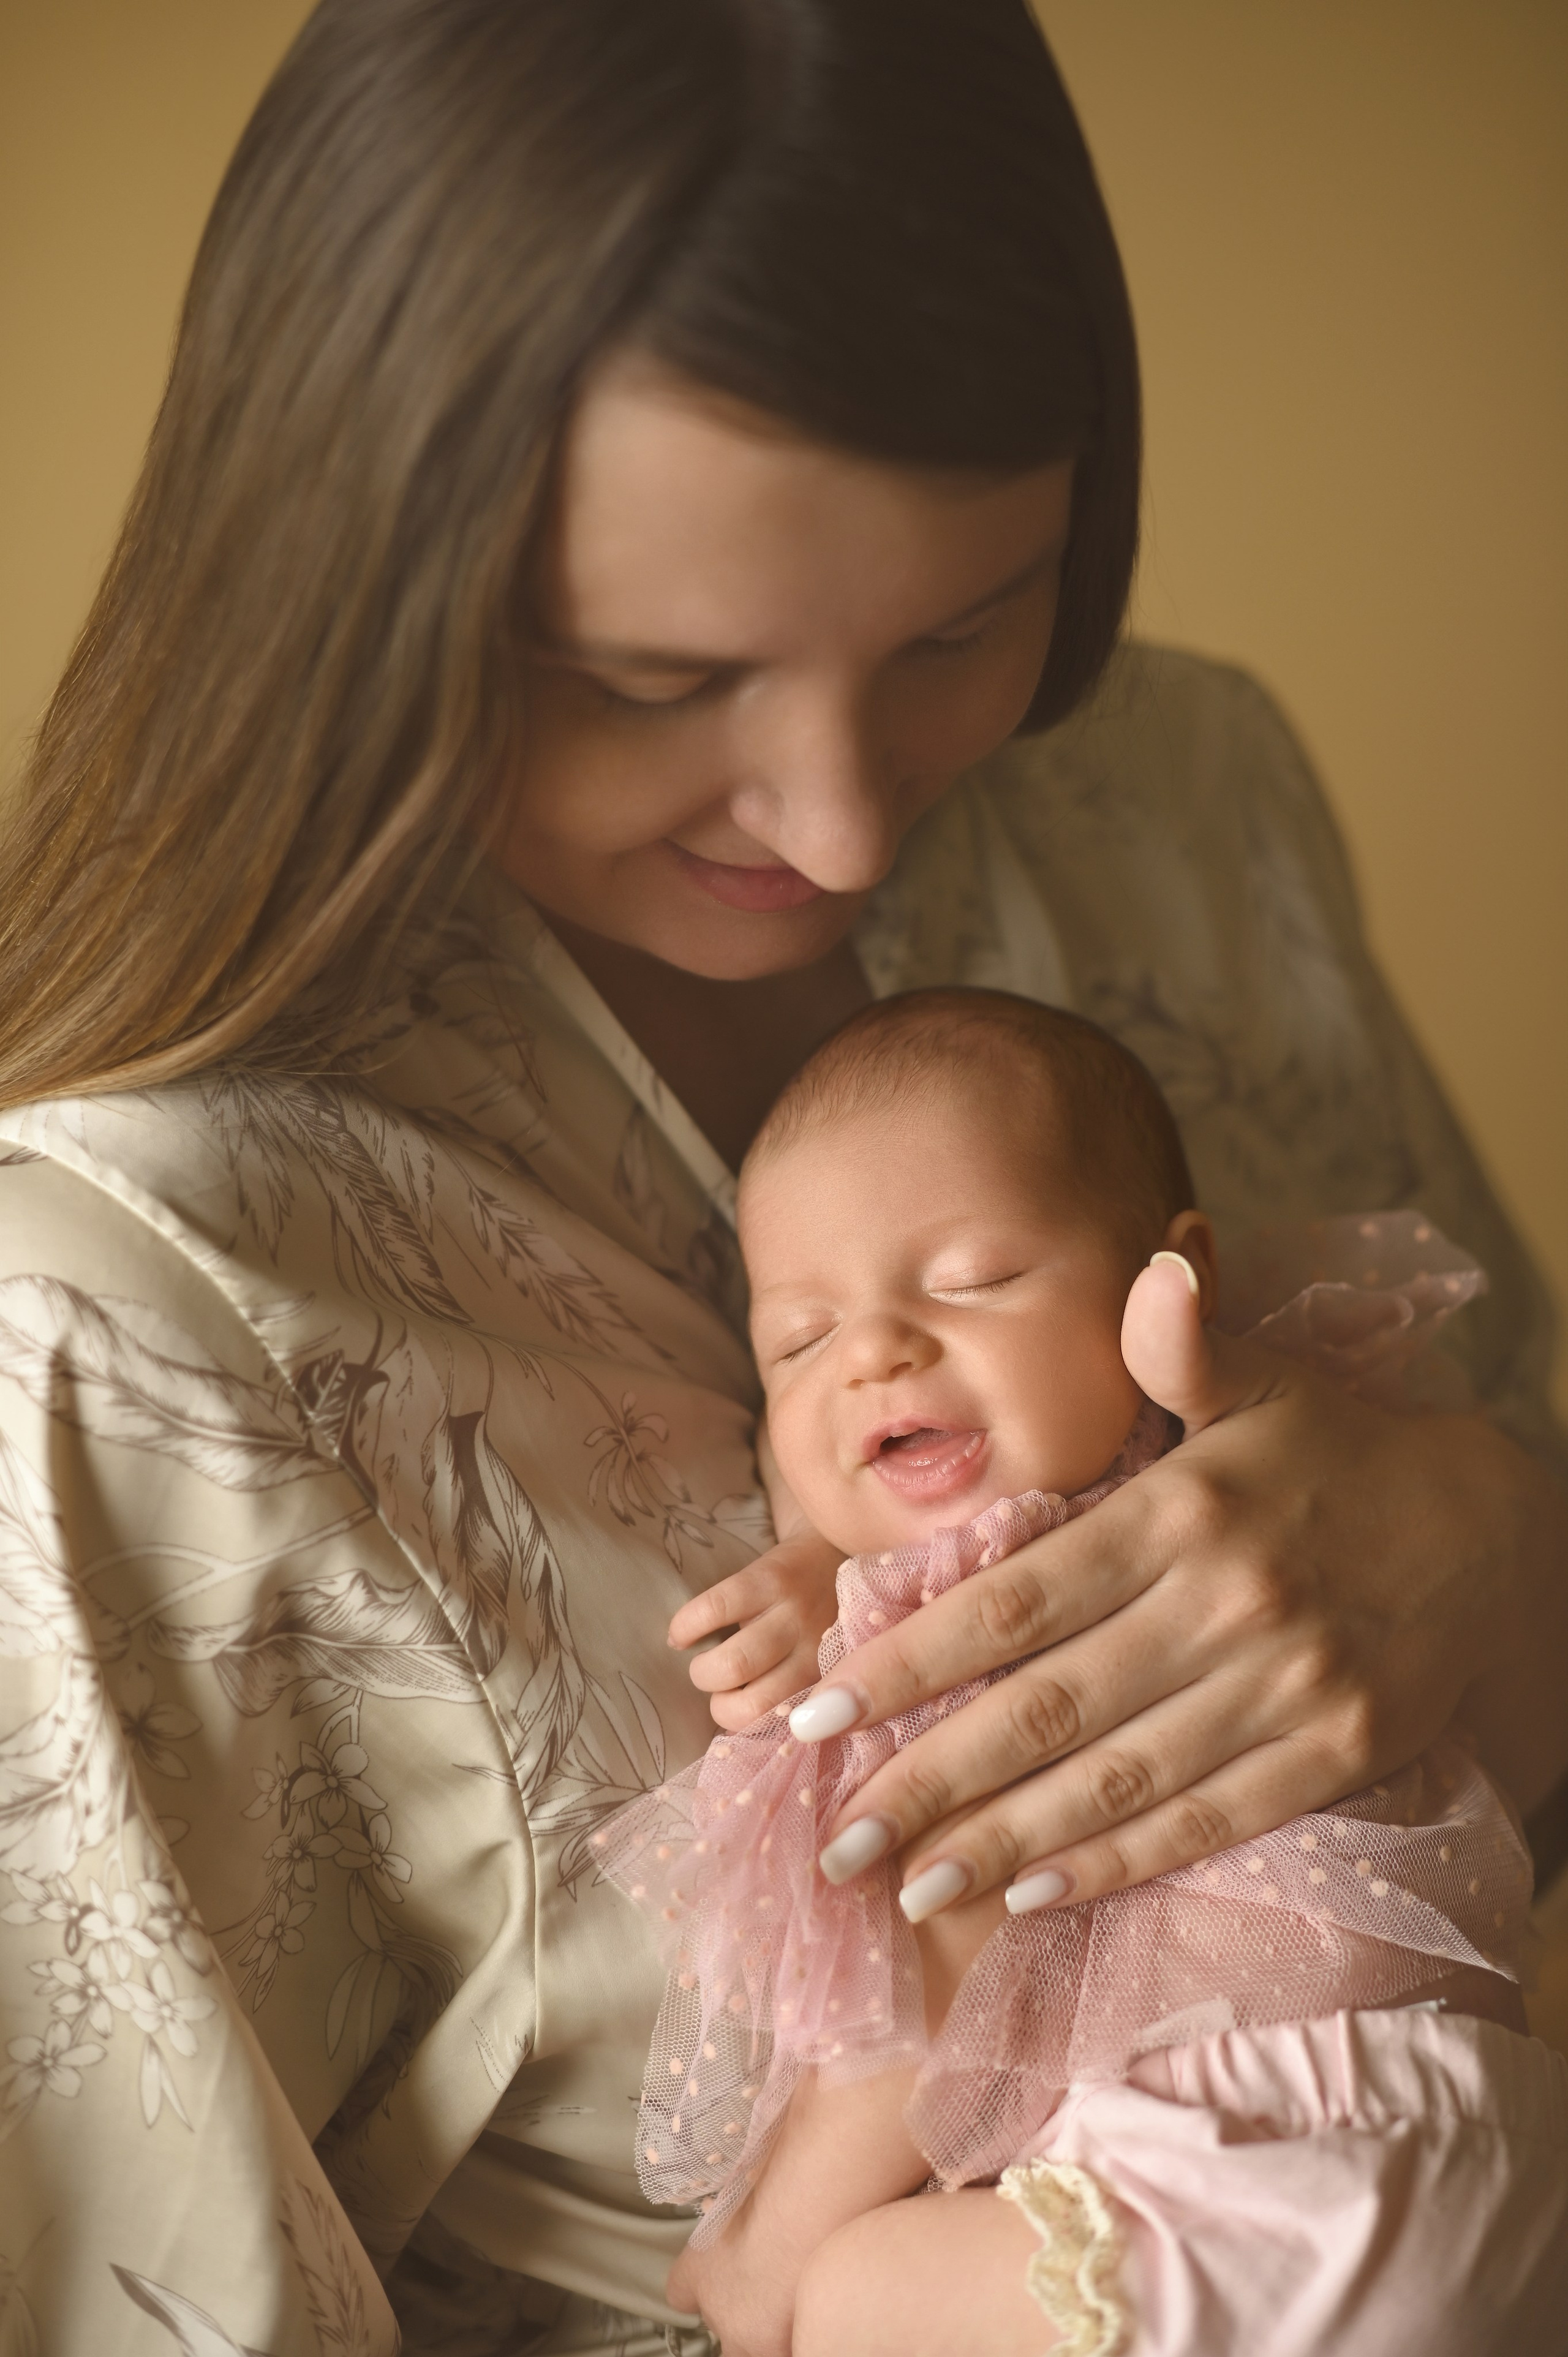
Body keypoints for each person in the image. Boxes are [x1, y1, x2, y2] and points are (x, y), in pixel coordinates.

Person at [0, 2, 1563, 2351]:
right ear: (349, 594)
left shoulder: (1178, 795)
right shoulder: (118, 1311)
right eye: (651, 678)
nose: (839, 824)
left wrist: (1497, 1530)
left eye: (959, 626)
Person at [605, 988, 1566, 2356]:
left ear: (1170, 1280)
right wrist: (827, 1560)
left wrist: (762, 2244)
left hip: (1265, 2169)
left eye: (971, 1278)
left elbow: (943, 1962)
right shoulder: (1291, 1489)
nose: (874, 1351)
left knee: (845, 2297)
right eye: (799, 1342)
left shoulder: (1071, 1619)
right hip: (1475, 2147)